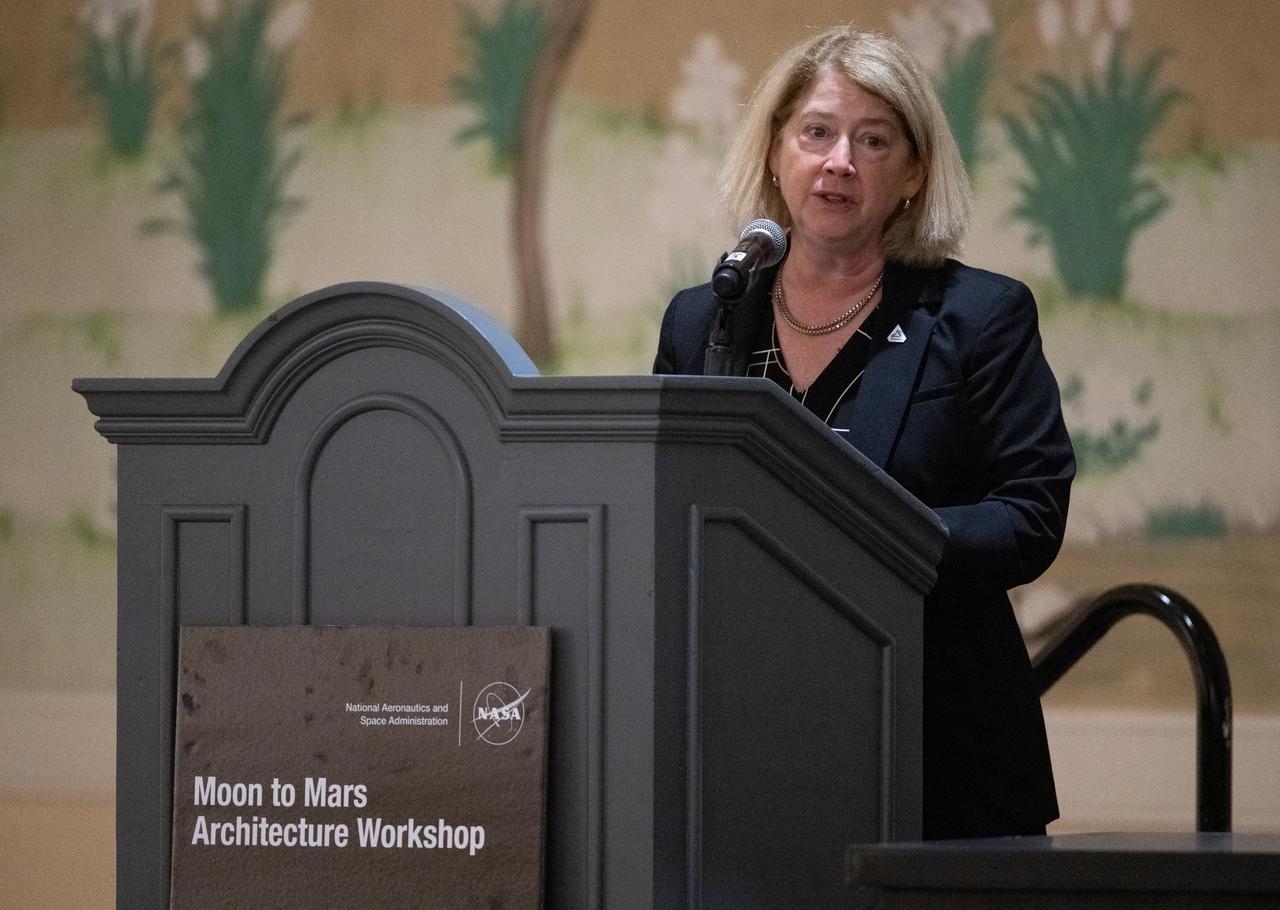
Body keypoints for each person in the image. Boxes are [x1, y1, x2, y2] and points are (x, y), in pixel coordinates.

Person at [653, 25, 1075, 840]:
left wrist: (865, 539)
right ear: (777, 151)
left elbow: (1030, 514)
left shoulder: (979, 317)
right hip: (743, 740)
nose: (839, 159)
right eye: (816, 132)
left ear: (913, 173)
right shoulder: (706, 318)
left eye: (872, 139)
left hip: (939, 737)